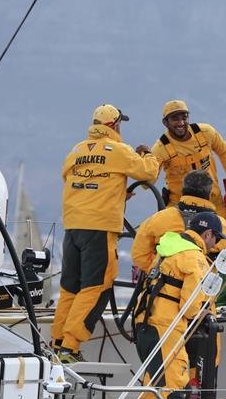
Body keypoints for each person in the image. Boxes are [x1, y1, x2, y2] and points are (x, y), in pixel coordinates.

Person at [51, 104, 159, 362]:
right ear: (114, 126)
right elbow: (149, 174)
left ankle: (56, 343)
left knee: (69, 287)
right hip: (99, 229)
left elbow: (75, 182)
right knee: (96, 287)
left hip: (73, 227)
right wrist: (148, 154)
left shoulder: (76, 151)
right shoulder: (119, 151)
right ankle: (70, 346)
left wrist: (116, 193)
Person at [131, 170, 226, 380]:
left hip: (164, 304)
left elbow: (139, 256)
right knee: (207, 356)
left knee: (166, 366)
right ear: (210, 195)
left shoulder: (159, 220)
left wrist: (167, 273)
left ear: (183, 190)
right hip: (200, 304)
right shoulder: (217, 226)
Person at [122, 211, 226, 399]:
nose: (215, 244)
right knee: (174, 390)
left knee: (154, 384)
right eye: (215, 239)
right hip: (165, 329)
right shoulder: (196, 259)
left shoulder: (167, 249)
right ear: (207, 234)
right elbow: (192, 307)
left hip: (145, 326)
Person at [151, 100, 226, 225]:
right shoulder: (161, 149)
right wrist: (145, 158)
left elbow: (224, 151)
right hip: (181, 208)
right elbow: (148, 181)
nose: (181, 122)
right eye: (175, 119)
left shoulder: (206, 133)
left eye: (184, 117)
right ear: (165, 123)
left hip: (214, 201)